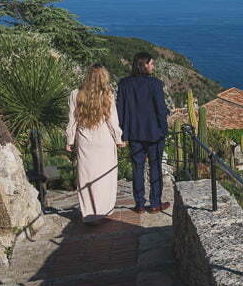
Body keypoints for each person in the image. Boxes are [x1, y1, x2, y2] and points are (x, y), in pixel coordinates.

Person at [65, 64, 124, 223]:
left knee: (86, 177)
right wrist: (118, 139)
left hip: (85, 142)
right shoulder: (107, 95)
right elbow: (112, 121)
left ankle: (89, 214)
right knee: (105, 178)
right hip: (104, 141)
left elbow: (72, 120)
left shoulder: (75, 94)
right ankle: (104, 210)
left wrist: (70, 140)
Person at [116, 52, 171, 214]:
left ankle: (139, 204)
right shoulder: (155, 84)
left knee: (137, 169)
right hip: (154, 133)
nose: (153, 66)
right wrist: (164, 130)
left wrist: (122, 133)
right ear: (144, 65)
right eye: (151, 63)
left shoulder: (124, 84)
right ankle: (155, 203)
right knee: (155, 167)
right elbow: (160, 109)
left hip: (134, 133)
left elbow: (120, 110)